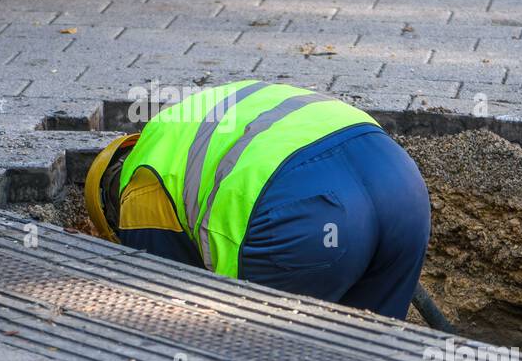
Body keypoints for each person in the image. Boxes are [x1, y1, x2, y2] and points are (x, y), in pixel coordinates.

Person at [84, 80, 431, 319]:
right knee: (373, 356)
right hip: (399, 183)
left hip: (306, 210)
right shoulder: (184, 122)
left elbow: (173, 303)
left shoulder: (140, 187)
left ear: (110, 208)